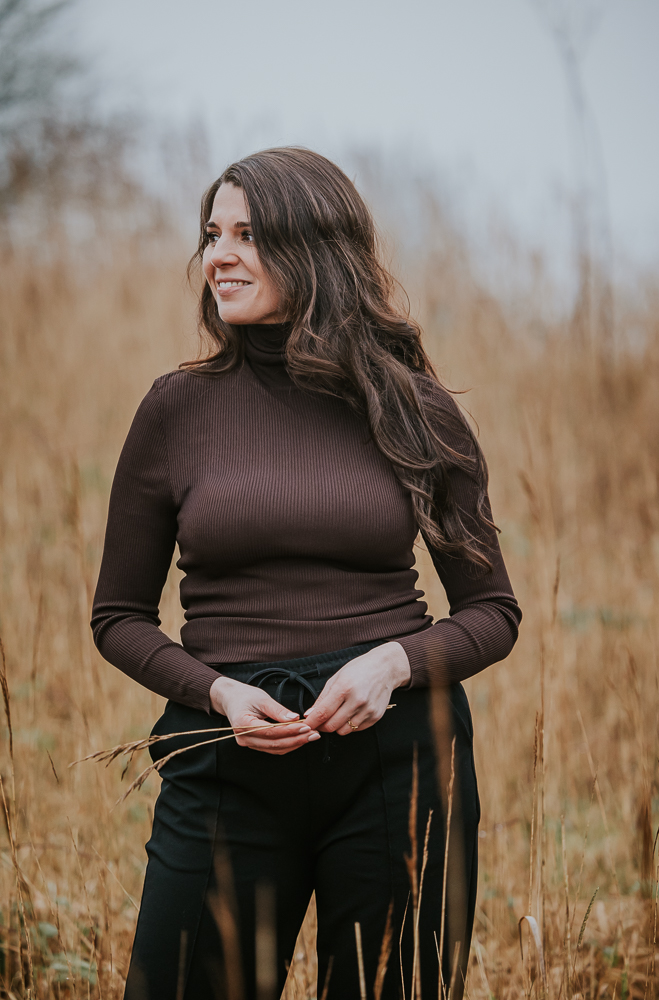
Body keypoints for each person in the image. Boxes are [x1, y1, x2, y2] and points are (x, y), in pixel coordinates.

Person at [91, 147, 521, 1000]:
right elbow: (118, 616)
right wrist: (217, 693)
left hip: (396, 763)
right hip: (224, 755)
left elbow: (492, 610)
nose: (218, 255)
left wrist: (392, 665)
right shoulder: (175, 410)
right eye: (212, 234)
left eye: (247, 234)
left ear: (314, 246)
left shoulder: (411, 405)